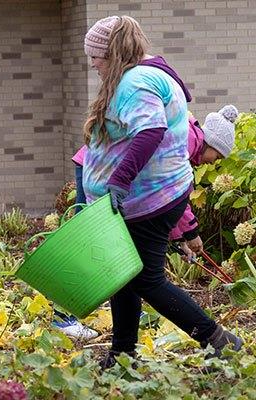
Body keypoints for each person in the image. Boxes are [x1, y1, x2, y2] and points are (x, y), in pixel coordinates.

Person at [81, 15, 242, 369]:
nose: (92, 63)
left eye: (97, 56)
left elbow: (151, 130)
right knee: (125, 276)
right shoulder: (135, 77)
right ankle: (123, 355)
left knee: (146, 280)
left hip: (151, 201)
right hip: (143, 202)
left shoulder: (137, 82)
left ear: (116, 52)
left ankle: (218, 340)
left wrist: (119, 181)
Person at [171, 105, 238, 259]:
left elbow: (173, 202)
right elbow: (174, 194)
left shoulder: (190, 146)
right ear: (211, 143)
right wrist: (191, 232)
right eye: (218, 156)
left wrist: (180, 240)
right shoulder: (186, 143)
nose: (214, 162)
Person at [51, 146, 98, 340]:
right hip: (98, 165)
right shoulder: (183, 137)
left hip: (106, 165)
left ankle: (127, 308)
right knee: (84, 237)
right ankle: (62, 317)